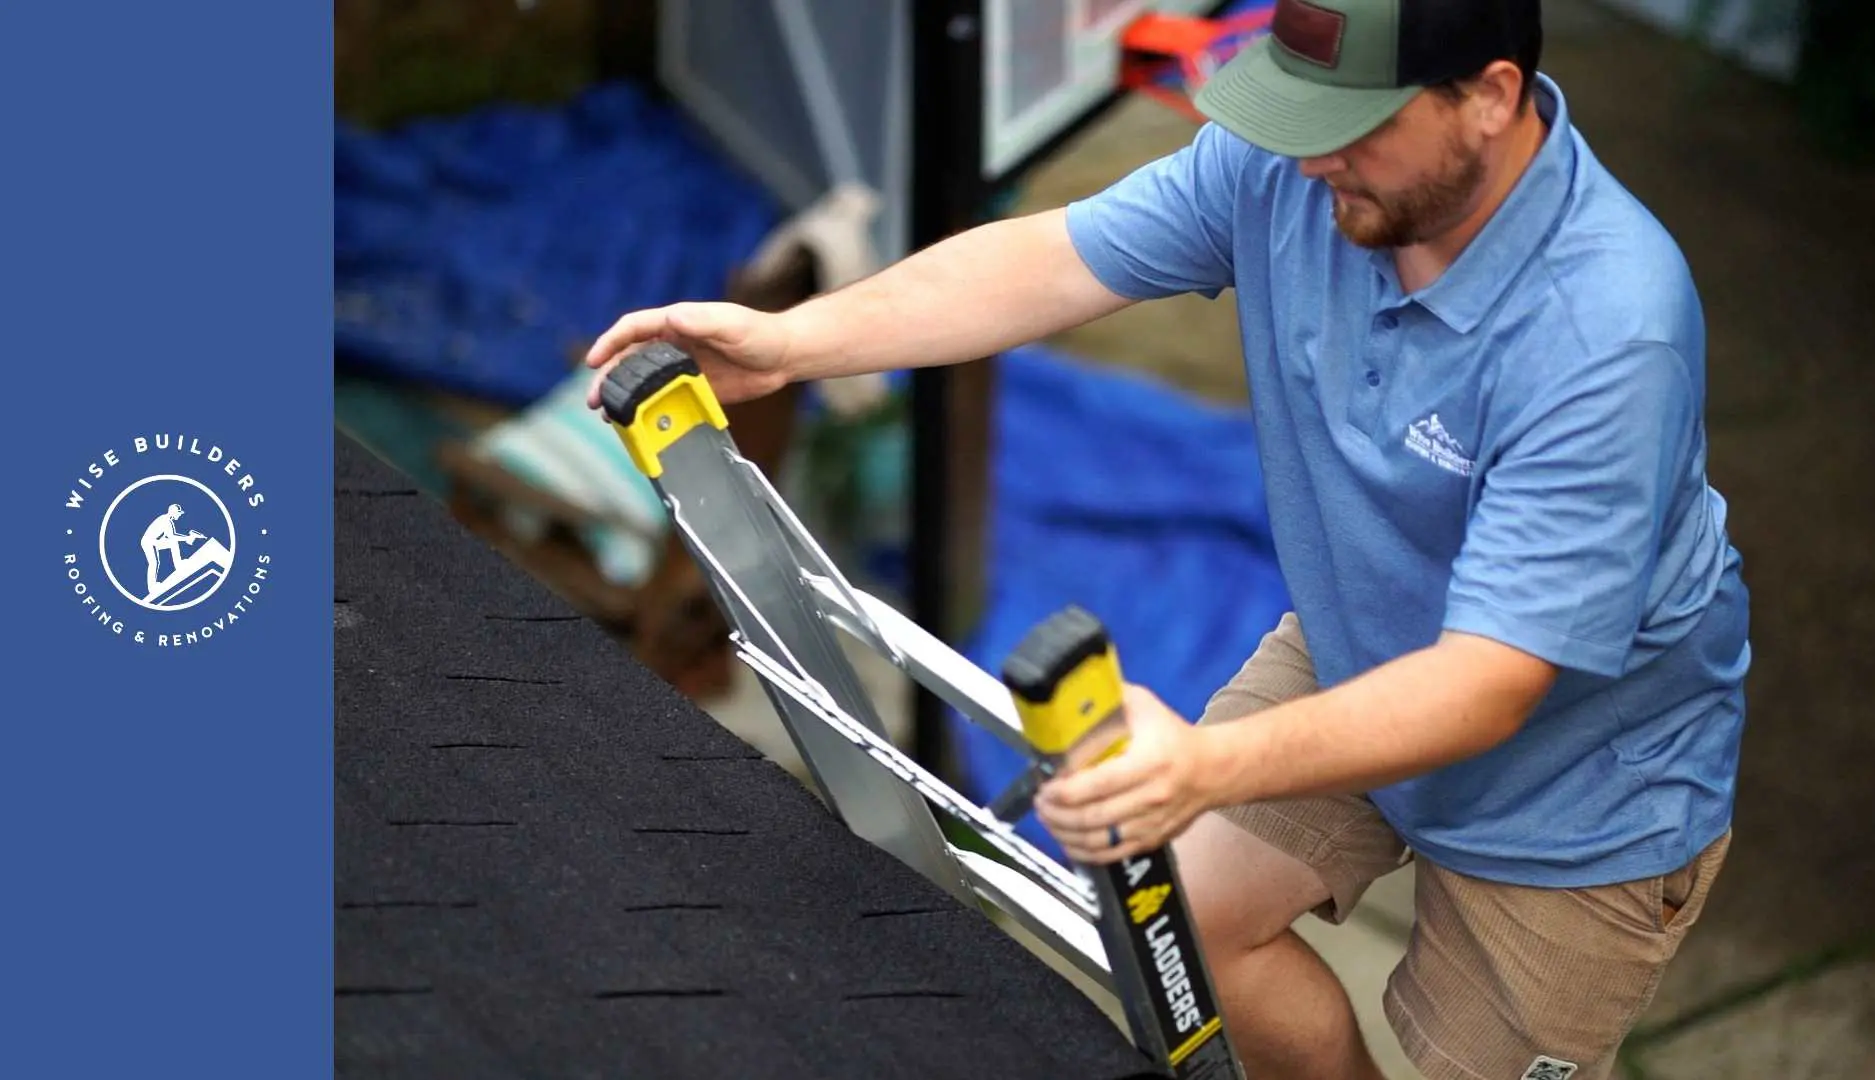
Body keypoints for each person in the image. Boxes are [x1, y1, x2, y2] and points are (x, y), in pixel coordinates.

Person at [584, 0, 1748, 1075]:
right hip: (1361, 644)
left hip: (1575, 797)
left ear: (1490, 98)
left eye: (1352, 127)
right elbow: (1057, 257)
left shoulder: (1609, 332)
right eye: (1298, 117)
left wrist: (1201, 765)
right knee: (1180, 924)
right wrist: (793, 343)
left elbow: (1488, 685)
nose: (1307, 158)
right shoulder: (1299, 171)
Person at [141, 503, 206, 595]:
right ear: (173, 512)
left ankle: (178, 564)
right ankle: (152, 588)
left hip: (155, 541)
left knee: (172, 543)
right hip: (149, 542)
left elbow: (170, 537)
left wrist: (188, 538)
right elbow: (172, 536)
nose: (180, 515)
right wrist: (187, 538)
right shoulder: (165, 520)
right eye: (178, 513)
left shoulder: (167, 519)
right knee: (154, 562)